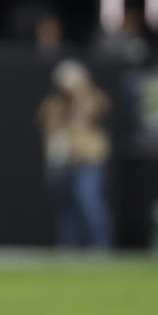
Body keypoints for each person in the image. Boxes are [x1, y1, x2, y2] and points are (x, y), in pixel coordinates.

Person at [38, 60, 113, 249]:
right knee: (66, 208)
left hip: (89, 160)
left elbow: (100, 109)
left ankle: (101, 246)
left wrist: (81, 93)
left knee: (88, 199)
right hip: (63, 164)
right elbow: (45, 121)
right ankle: (69, 248)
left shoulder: (91, 98)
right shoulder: (55, 104)